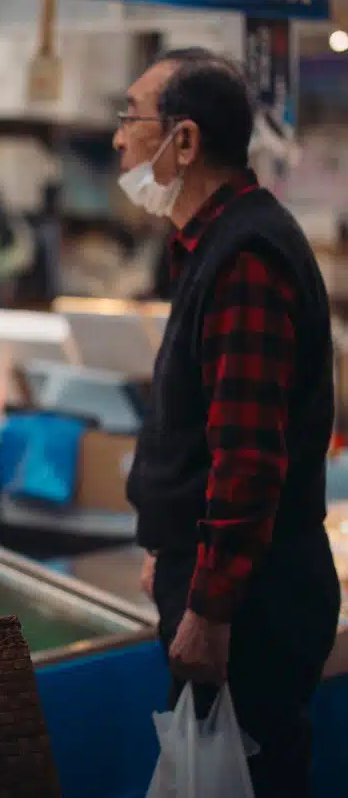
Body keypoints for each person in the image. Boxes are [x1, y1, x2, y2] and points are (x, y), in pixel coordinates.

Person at [118, 48, 340, 797]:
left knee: (253, 777)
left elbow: (247, 458)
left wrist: (210, 608)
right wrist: (173, 541)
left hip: (257, 601)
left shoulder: (244, 256)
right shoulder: (210, 243)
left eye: (130, 117)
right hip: (233, 578)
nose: (117, 139)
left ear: (183, 142)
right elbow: (205, 434)